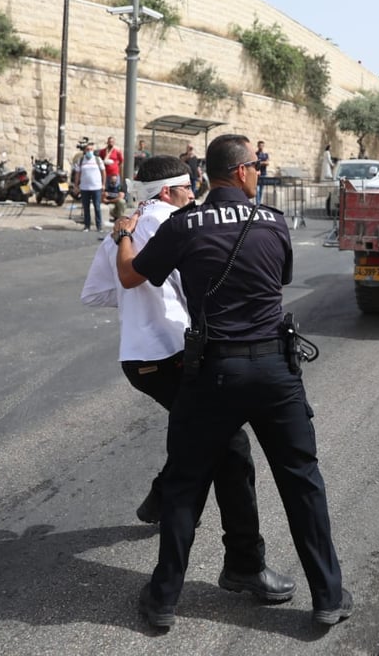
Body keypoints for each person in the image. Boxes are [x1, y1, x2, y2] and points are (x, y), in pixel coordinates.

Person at [114, 133, 352, 630]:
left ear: (212, 174)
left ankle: (162, 602)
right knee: (302, 482)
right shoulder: (273, 221)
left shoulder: (184, 224)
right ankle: (327, 596)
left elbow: (136, 274)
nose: (259, 174)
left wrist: (123, 234)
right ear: (242, 171)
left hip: (212, 372)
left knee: (184, 483)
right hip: (274, 371)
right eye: (257, 167)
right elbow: (281, 277)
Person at [110, 155, 290, 609]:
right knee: (222, 452)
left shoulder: (154, 224)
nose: (193, 195)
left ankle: (198, 568)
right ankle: (229, 570)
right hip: (166, 356)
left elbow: (104, 288)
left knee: (214, 448)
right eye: (187, 189)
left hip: (160, 355)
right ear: (169, 191)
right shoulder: (169, 223)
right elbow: (130, 279)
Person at [72, 140, 104, 232]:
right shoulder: (81, 160)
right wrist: (76, 185)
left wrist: (103, 184)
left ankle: (99, 226)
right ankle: (87, 226)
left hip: (96, 187)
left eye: (91, 149)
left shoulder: (98, 160)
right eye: (87, 149)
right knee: (86, 207)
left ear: (93, 150)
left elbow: (103, 172)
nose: (89, 151)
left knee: (97, 207)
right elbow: (77, 173)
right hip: (85, 187)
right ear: (85, 150)